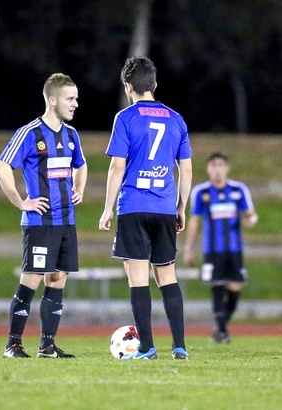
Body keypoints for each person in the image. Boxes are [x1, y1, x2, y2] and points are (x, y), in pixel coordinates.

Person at [99, 56, 193, 360]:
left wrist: (107, 208)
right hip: (165, 206)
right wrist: (181, 206)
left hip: (133, 207)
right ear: (154, 84)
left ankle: (149, 348)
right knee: (167, 276)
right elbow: (186, 169)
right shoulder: (176, 119)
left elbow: (117, 166)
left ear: (128, 86)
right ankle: (179, 346)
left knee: (138, 278)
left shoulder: (125, 118)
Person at [0, 73, 87, 359]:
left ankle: (47, 345)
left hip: (66, 221)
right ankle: (13, 344)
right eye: (70, 99)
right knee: (32, 279)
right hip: (40, 222)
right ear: (52, 100)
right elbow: (1, 167)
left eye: (76, 99)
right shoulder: (30, 133)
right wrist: (21, 202)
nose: (76, 104)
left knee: (57, 278)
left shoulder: (71, 135)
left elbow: (80, 166)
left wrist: (79, 188)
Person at [183, 153, 258, 343]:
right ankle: (222, 333)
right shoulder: (201, 192)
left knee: (235, 288)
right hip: (212, 249)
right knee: (216, 286)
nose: (217, 169)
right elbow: (194, 221)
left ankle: (219, 327)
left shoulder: (238, 189)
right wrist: (188, 248)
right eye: (213, 165)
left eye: (220, 165)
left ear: (227, 167)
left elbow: (251, 213)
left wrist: (252, 219)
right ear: (208, 169)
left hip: (234, 249)